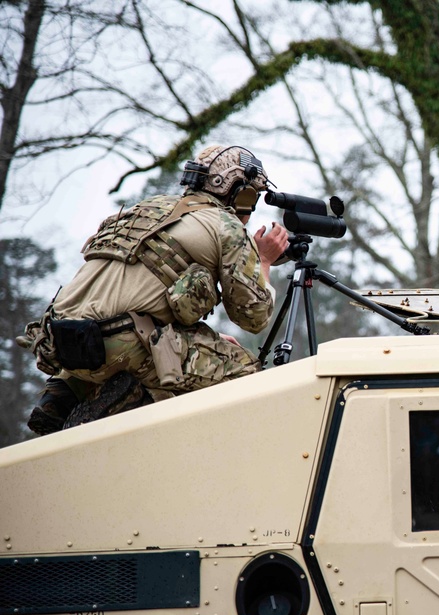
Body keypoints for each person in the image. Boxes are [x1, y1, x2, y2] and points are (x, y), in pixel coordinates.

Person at [18, 145, 289, 435]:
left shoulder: (148, 209)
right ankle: (126, 399)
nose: (250, 207)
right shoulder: (226, 226)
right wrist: (263, 260)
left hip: (61, 341)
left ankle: (62, 395)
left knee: (137, 336)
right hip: (119, 345)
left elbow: (137, 294)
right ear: (237, 191)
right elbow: (254, 316)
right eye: (251, 197)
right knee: (246, 371)